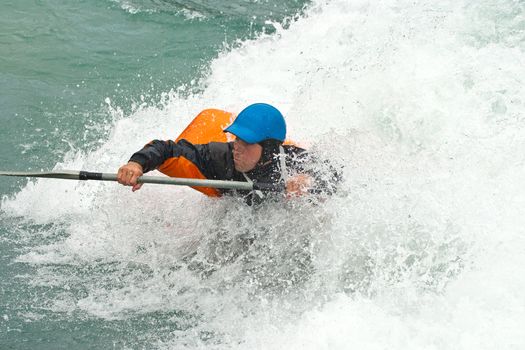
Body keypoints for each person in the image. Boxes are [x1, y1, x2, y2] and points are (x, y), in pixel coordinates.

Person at [117, 103, 339, 204]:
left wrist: (309, 181)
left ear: (269, 149)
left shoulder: (290, 159)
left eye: (247, 142)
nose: (237, 148)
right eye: (237, 139)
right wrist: (137, 164)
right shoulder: (219, 156)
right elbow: (166, 149)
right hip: (230, 201)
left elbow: (334, 175)